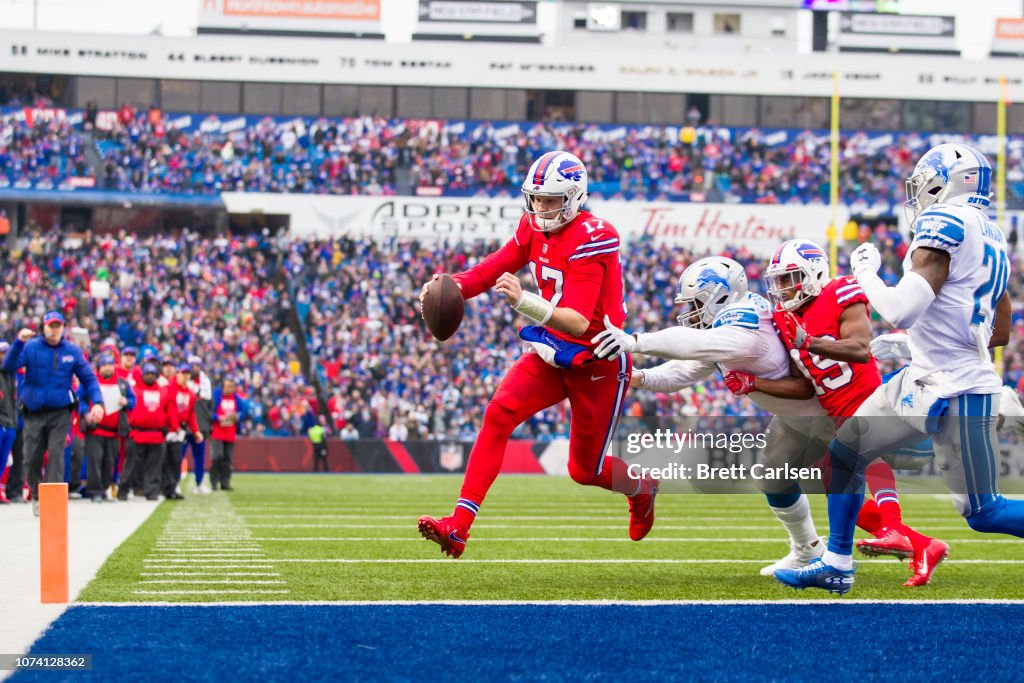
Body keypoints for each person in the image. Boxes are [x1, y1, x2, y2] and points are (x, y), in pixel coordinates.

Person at [776, 143, 1024, 594]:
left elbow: (900, 310)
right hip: (928, 377)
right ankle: (836, 562)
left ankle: (837, 559)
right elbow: (999, 330)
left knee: (983, 512)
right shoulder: (993, 234)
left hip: (959, 389)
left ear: (942, 181)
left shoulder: (943, 221)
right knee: (844, 453)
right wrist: (916, 346)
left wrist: (866, 274)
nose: (917, 194)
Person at [417, 150, 657, 559]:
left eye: (552, 200)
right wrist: (448, 285)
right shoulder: (531, 225)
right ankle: (458, 525)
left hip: (598, 357)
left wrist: (524, 301)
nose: (543, 208)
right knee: (498, 414)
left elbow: (580, 321)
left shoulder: (595, 235)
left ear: (575, 197)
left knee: (585, 471)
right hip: (553, 350)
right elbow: (490, 269)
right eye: (538, 199)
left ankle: (642, 487)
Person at [3, 312, 103, 516]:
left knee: (57, 455)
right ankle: (38, 494)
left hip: (60, 412)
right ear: (43, 327)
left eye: (58, 326)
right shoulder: (30, 347)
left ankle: (51, 501)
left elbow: (89, 378)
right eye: (51, 325)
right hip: (33, 411)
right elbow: (9, 366)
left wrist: (98, 403)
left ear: (63, 327)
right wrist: (18, 343)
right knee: (31, 458)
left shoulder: (72, 351)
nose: (55, 329)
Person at [81, 353, 135, 502]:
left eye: (110, 365)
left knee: (109, 462)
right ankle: (95, 491)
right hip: (95, 429)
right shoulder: (91, 382)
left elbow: (133, 400)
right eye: (104, 365)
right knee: (95, 461)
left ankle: (104, 487)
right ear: (99, 368)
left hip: (114, 432)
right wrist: (85, 413)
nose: (107, 368)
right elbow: (81, 399)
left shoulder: (122, 383)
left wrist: (127, 401)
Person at [123, 360, 180, 501]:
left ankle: (152, 491)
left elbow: (170, 411)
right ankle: (125, 489)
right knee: (132, 465)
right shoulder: (134, 390)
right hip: (137, 433)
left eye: (152, 374)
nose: (150, 376)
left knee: (154, 466)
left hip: (156, 434)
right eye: (147, 373)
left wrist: (175, 427)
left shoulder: (163, 391)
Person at [165, 363, 202, 500]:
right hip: (169, 429)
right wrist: (176, 428)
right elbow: (170, 410)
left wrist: (196, 431)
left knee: (176, 460)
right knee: (167, 460)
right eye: (183, 373)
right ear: (178, 374)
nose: (185, 376)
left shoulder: (190, 394)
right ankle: (167, 487)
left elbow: (191, 414)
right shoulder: (171, 389)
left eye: (188, 374)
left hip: (180, 428)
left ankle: (173, 486)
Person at [209, 377, 247, 492]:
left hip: (230, 433)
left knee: (228, 459)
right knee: (217, 457)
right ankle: (214, 481)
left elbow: (242, 413)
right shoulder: (216, 397)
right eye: (227, 386)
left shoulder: (237, 399)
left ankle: (225, 482)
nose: (229, 389)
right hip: (217, 432)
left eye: (232, 387)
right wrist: (218, 417)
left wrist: (237, 417)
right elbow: (210, 413)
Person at [185, 355, 213, 494]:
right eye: (192, 365)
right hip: (184, 426)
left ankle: (200, 482)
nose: (194, 367)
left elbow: (207, 400)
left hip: (200, 425)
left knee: (199, 457)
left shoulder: (205, 381)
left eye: (196, 365)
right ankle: (173, 483)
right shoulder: (183, 379)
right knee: (178, 456)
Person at [0, 341, 17, 504]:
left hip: (10, 422)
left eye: (6, 352)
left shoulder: (11, 374)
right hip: (1, 422)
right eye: (2, 353)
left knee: (4, 459)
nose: (4, 356)